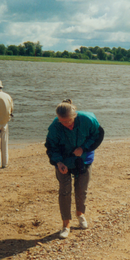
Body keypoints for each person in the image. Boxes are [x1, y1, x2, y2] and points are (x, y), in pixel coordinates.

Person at [45, 99, 104, 239]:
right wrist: (58, 162)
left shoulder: (88, 119)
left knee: (81, 189)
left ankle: (80, 214)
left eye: (68, 121)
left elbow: (98, 135)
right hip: (64, 160)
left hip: (83, 159)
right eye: (62, 121)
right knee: (64, 191)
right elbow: (51, 146)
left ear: (74, 116)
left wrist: (83, 148)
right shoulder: (55, 126)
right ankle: (66, 224)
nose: (66, 124)